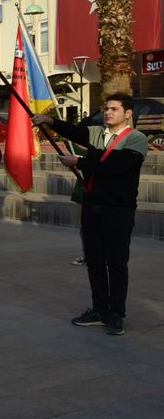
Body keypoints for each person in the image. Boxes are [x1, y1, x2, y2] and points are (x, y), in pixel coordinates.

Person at [32, 93, 148, 336]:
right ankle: (100, 310)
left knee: (116, 264)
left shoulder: (136, 139)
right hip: (92, 206)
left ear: (128, 113)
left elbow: (118, 167)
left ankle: (116, 314)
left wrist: (79, 162)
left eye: (114, 109)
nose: (107, 112)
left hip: (118, 210)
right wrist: (51, 121)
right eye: (106, 108)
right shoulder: (98, 133)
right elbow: (76, 133)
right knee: (94, 261)